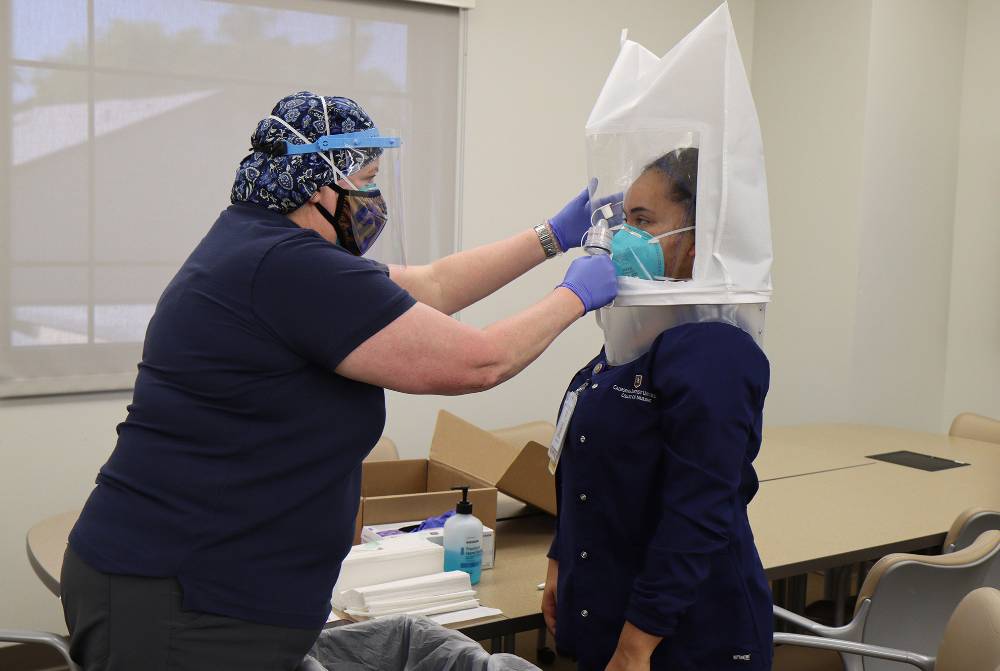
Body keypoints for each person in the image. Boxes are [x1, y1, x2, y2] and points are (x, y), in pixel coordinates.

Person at [60, 92, 617, 671]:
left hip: (195, 584)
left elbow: (432, 285)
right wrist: (574, 296)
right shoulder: (286, 267)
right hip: (181, 596)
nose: (375, 199)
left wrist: (554, 234)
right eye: (367, 179)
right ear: (320, 184)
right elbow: (480, 362)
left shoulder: (262, 246)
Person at [541, 148, 774, 670]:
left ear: (701, 241)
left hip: (684, 643)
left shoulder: (715, 351)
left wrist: (636, 644)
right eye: (623, 220)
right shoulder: (633, 344)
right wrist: (562, 561)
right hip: (612, 622)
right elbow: (591, 476)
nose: (623, 237)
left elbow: (696, 515)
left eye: (642, 221)